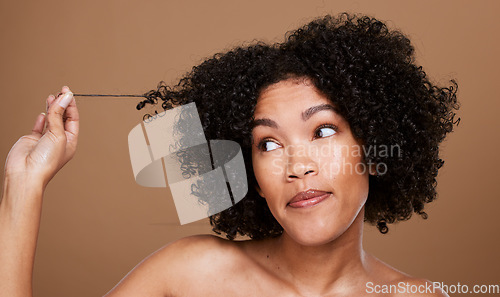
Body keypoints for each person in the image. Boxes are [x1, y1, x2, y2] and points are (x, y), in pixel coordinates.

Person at [0, 13, 458, 296]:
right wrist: (24, 188)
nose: (297, 166)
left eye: (322, 130)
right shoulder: (190, 275)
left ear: (373, 148)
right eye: (269, 144)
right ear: (252, 175)